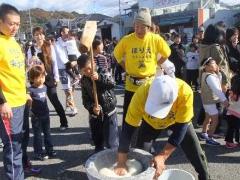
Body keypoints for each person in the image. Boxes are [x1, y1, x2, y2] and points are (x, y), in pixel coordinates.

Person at [114, 75, 210, 180]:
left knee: (197, 154)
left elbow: (181, 129)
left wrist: (162, 156)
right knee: (141, 158)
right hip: (150, 123)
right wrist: (121, 161)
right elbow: (128, 129)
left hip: (177, 122)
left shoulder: (185, 92)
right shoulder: (141, 93)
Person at [114, 7, 171, 126]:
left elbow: (167, 53)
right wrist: (126, 68)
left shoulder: (155, 39)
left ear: (148, 27)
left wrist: (158, 63)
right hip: (131, 83)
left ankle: (145, 140)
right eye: (136, 26)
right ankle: (126, 138)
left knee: (148, 113)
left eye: (142, 27)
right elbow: (117, 54)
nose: (139, 30)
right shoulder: (127, 40)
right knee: (128, 112)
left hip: (149, 83)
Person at [0, 3, 26, 179]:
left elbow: (15, 72)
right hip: (8, 105)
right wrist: (2, 102)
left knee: (19, 144)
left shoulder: (14, 41)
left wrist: (26, 93)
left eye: (17, 24)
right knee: (12, 147)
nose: (15, 27)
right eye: (11, 23)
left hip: (21, 101)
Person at [28, 26, 69, 130]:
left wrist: (56, 77)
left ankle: (64, 122)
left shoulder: (49, 46)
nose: (39, 36)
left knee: (54, 100)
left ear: (44, 35)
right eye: (36, 34)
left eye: (41, 34)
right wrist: (31, 61)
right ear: (33, 36)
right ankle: (39, 125)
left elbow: (54, 63)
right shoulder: (31, 49)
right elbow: (29, 66)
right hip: (36, 78)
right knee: (36, 103)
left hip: (49, 77)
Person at [78, 54, 119, 152]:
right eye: (84, 70)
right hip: (96, 114)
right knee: (97, 139)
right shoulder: (84, 80)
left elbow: (112, 83)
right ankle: (98, 157)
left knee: (111, 141)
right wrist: (92, 108)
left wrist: (100, 78)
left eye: (89, 68)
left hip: (109, 111)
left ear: (93, 63)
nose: (88, 71)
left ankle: (115, 159)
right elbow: (85, 100)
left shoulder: (103, 71)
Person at [28, 65, 56, 160]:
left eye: (42, 77)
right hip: (36, 117)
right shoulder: (30, 90)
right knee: (38, 136)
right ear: (32, 78)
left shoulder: (44, 87)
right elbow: (28, 103)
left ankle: (50, 150)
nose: (41, 79)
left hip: (46, 115)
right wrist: (30, 112)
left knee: (47, 133)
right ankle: (38, 152)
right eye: (38, 77)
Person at [199, 57, 229, 146]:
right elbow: (217, 89)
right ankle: (210, 138)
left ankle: (204, 133)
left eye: (215, 63)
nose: (216, 65)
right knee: (215, 120)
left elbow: (217, 82)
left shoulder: (207, 74)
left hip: (206, 100)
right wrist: (225, 100)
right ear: (206, 66)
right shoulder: (210, 77)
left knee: (208, 117)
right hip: (210, 101)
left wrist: (218, 73)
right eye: (213, 63)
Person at [55, 26, 78, 118]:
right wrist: (70, 63)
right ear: (62, 33)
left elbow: (75, 53)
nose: (68, 33)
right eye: (67, 32)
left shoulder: (70, 41)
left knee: (72, 88)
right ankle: (73, 108)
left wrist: (76, 62)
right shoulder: (57, 44)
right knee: (67, 89)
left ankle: (68, 105)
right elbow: (62, 58)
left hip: (72, 67)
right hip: (63, 68)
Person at [225, 75, 240, 148]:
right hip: (235, 114)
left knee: (232, 128)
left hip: (230, 113)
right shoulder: (236, 94)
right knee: (234, 129)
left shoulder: (230, 91)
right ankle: (229, 142)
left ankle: (230, 142)